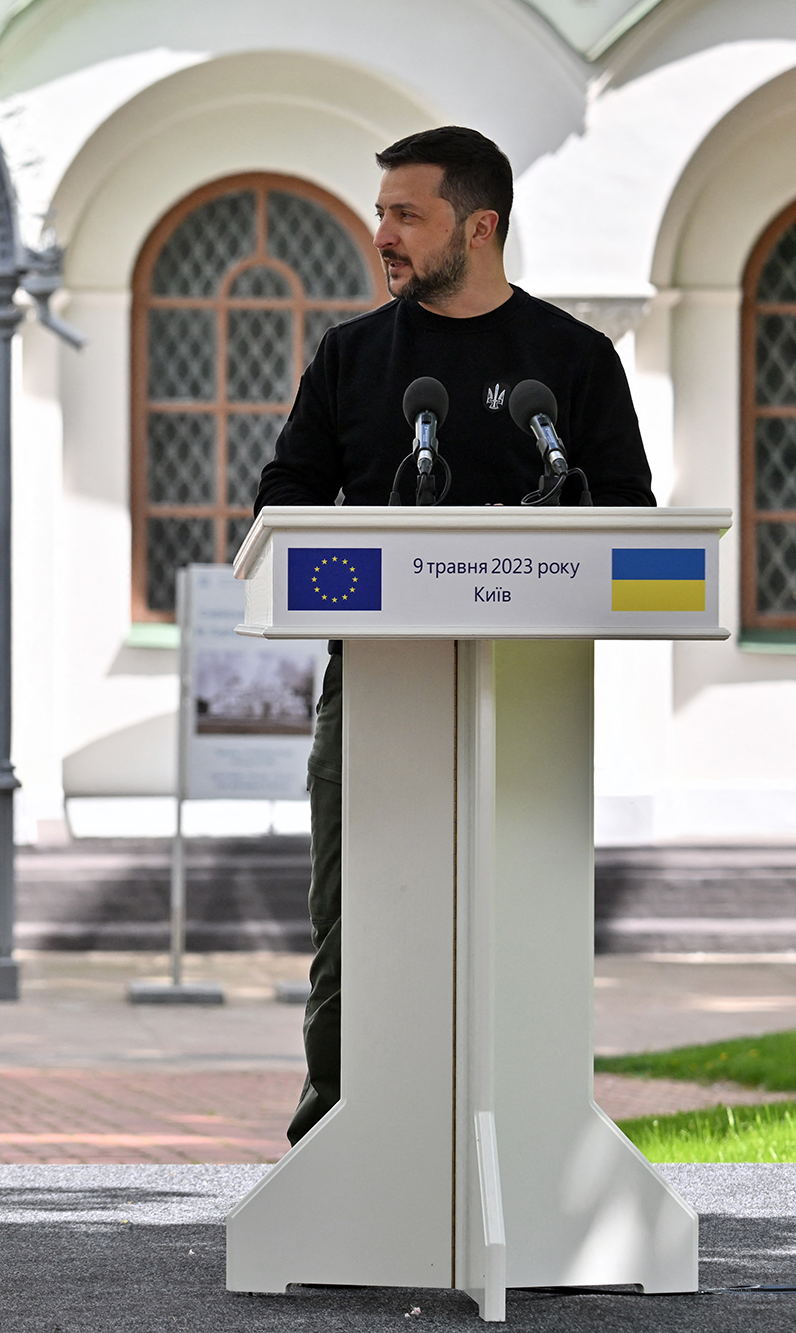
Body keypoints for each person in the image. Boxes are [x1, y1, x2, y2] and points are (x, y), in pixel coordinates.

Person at [253, 126, 655, 1145]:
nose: (378, 232)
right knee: (356, 925)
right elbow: (284, 498)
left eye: (403, 215)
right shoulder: (350, 355)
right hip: (376, 687)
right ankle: (337, 1145)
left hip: (532, 691)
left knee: (524, 922)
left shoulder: (571, 359)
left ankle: (532, 1144)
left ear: (476, 228)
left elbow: (628, 516)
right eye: (378, 210)